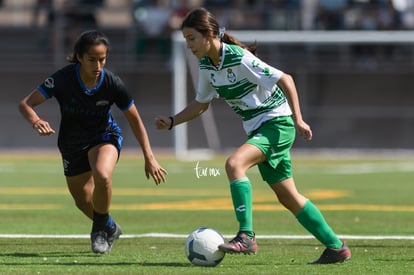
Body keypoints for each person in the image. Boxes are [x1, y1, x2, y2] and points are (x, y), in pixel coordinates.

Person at [155, 7, 350, 264]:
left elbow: (286, 79)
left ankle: (246, 236)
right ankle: (336, 247)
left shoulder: (239, 57)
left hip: (277, 124)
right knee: (288, 197)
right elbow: (201, 104)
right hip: (260, 128)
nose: (188, 45)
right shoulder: (207, 65)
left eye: (191, 38)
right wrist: (172, 121)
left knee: (234, 164)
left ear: (209, 34)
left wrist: (298, 119)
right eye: (186, 39)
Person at [19, 30, 167, 254]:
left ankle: (98, 232)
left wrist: (150, 157)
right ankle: (109, 226)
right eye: (92, 59)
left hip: (104, 136)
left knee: (102, 175)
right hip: (71, 143)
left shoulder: (112, 83)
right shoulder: (62, 79)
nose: (98, 65)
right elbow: (26, 104)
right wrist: (36, 120)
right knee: (82, 200)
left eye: (102, 59)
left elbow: (135, 120)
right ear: (79, 56)